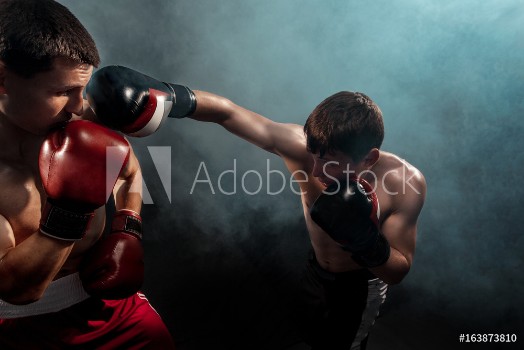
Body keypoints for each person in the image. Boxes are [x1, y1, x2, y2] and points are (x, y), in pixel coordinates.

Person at [86, 65, 427, 348]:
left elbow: (398, 270)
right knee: (306, 334)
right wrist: (166, 94)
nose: (320, 171)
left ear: (369, 158)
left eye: (334, 164)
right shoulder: (302, 148)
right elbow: (226, 112)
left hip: (358, 287)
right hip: (315, 272)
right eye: (316, 156)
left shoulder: (404, 184)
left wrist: (365, 240)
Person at [0, 1, 175, 348]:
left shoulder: (80, 123)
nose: (79, 105)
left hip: (118, 314)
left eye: (81, 88)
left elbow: (129, 172)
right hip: (24, 332)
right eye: (62, 92)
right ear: (3, 79)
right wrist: (69, 215)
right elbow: (18, 289)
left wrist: (128, 225)